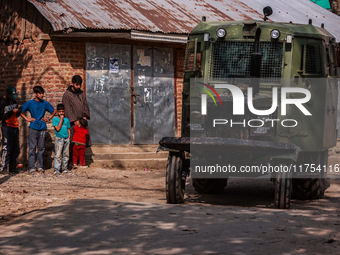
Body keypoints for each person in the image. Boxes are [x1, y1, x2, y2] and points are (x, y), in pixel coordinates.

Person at [21, 85, 56, 173]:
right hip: (33, 127)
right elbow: (19, 110)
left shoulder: (45, 103)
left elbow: (54, 111)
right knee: (32, 148)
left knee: (41, 148)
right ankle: (31, 167)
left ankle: (40, 167)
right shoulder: (29, 103)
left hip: (42, 128)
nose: (42, 95)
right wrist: (27, 119)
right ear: (35, 94)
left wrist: (48, 118)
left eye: (42, 93)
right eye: (40, 93)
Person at [62, 75, 90, 168]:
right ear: (73, 83)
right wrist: (74, 120)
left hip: (82, 121)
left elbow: (85, 104)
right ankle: (71, 162)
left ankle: (81, 161)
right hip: (73, 123)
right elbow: (67, 109)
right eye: (77, 84)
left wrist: (85, 116)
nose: (78, 87)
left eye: (80, 85)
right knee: (73, 142)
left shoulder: (82, 93)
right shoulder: (67, 95)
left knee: (82, 142)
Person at [0, 86, 21, 174]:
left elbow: (16, 115)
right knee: (6, 148)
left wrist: (19, 111)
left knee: (15, 148)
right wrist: (11, 112)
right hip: (6, 126)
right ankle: (3, 168)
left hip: (15, 126)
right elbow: (1, 116)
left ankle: (12, 168)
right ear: (6, 94)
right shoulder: (2, 102)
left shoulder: (13, 101)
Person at [52, 104, 71, 175]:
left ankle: (64, 168)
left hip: (66, 138)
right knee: (58, 155)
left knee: (66, 154)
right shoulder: (55, 119)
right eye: (59, 111)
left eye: (62, 111)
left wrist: (69, 137)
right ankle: (56, 169)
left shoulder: (67, 120)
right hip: (59, 138)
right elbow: (57, 128)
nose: (61, 113)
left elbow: (68, 129)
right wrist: (61, 120)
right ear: (57, 112)